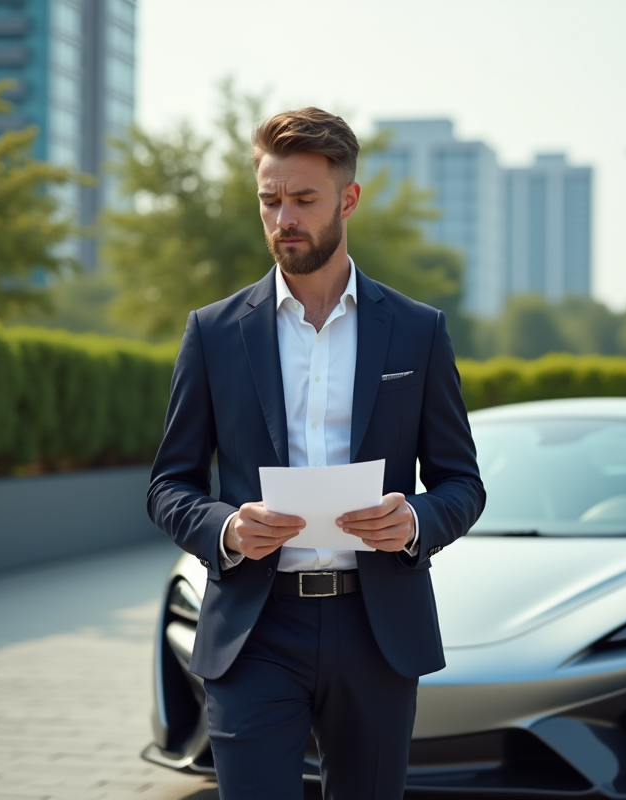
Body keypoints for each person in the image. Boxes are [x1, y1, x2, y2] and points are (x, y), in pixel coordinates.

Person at [147, 107, 485, 799]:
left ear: (348, 199)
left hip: (377, 627)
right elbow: (169, 484)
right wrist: (228, 529)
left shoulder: (418, 333)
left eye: (303, 200)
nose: (284, 219)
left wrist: (415, 520)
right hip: (255, 629)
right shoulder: (212, 333)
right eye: (270, 201)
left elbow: (461, 482)